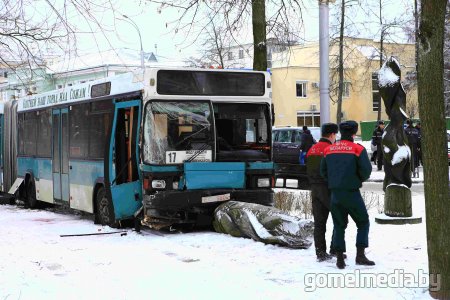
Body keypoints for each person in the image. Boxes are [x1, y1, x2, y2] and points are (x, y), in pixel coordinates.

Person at [320, 121, 374, 269]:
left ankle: (339, 258)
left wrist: (334, 182)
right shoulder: (357, 149)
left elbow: (323, 172)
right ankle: (360, 255)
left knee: (339, 225)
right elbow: (366, 171)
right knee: (363, 222)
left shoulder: (329, 150)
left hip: (335, 193)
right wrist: (357, 179)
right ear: (354, 133)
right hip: (352, 192)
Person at [306, 123, 339, 262]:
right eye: (335, 135)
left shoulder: (311, 150)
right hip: (329, 189)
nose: (335, 137)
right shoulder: (331, 149)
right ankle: (335, 249)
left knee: (319, 223)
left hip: (315, 189)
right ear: (331, 135)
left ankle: (320, 253)